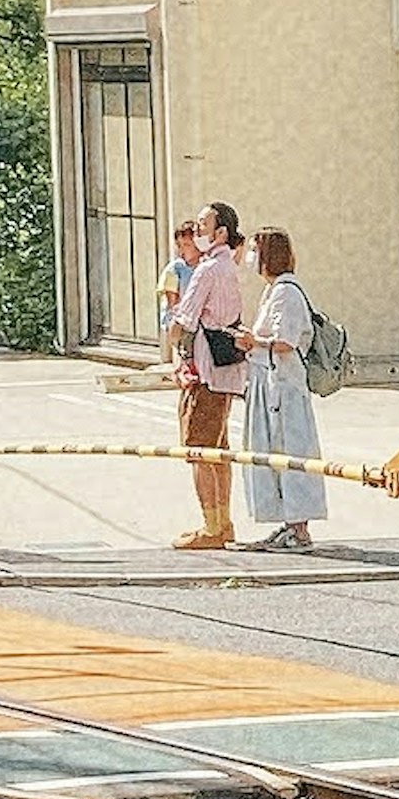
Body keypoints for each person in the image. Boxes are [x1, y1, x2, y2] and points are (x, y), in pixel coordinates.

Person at [162, 202, 251, 551]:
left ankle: (211, 527)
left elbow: (183, 320)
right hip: (226, 369)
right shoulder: (229, 268)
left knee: (198, 449)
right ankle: (223, 521)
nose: (197, 233)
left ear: (220, 233)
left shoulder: (207, 270)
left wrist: (174, 332)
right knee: (219, 450)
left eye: (202, 227)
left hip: (204, 371)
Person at [237, 224, 326, 545]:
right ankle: (288, 521)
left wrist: (252, 341)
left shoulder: (287, 292)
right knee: (271, 452)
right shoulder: (274, 290)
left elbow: (285, 341)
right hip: (269, 383)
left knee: (290, 451)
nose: (249, 256)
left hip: (283, 388)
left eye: (254, 250)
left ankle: (299, 526)